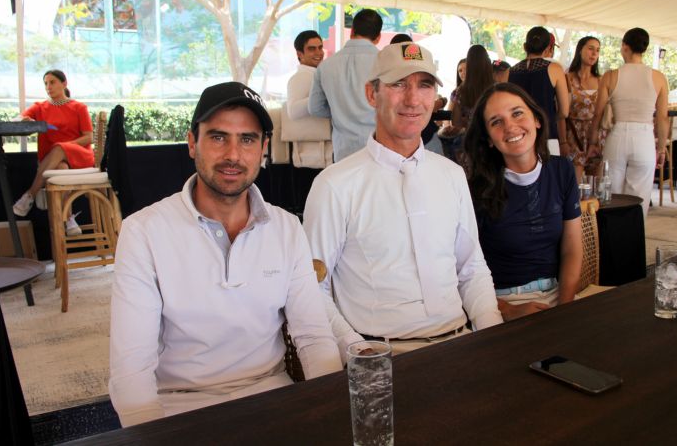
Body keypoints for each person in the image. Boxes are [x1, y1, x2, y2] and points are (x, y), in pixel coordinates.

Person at [109, 82, 342, 427]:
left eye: (247, 139)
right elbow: (131, 367)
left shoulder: (287, 227)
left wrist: (329, 416)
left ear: (263, 148)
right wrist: (151, 435)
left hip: (274, 396)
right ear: (192, 142)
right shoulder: (143, 232)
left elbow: (313, 336)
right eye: (218, 137)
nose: (233, 154)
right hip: (180, 409)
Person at [303, 42, 503, 358]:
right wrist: (357, 350)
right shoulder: (335, 185)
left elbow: (471, 268)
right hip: (382, 354)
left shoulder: (451, 175)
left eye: (424, 85)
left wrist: (492, 336)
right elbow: (311, 288)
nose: (412, 99)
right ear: (372, 94)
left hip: (460, 345)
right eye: (398, 84)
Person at [463, 83, 582, 321]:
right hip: (500, 304)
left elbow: (572, 250)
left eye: (517, 113)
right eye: (496, 122)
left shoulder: (562, 170)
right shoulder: (473, 190)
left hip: (560, 296)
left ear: (537, 119)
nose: (510, 126)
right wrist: (507, 310)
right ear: (488, 139)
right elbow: (461, 272)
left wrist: (563, 309)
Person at [587, 27, 670, 218]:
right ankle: (634, 240)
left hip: (618, 135)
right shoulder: (658, 77)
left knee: (610, 194)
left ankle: (610, 240)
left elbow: (598, 114)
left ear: (624, 46)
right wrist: (661, 148)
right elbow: (662, 118)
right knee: (640, 195)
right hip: (644, 137)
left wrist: (592, 142)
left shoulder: (610, 76)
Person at [12, 70, 94, 235]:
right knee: (62, 168)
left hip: (80, 155)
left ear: (64, 84)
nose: (48, 87)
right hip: (52, 159)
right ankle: (68, 218)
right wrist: (24, 119)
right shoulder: (39, 107)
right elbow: (18, 119)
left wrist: (66, 146)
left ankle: (30, 195)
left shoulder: (79, 107)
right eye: (46, 83)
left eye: (52, 82)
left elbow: (89, 137)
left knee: (59, 148)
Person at [308, 8, 382, 161]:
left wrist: (339, 109)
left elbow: (314, 108)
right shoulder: (385, 63)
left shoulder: (326, 65)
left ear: (352, 31)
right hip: (379, 149)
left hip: (343, 151)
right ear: (378, 37)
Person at [508, 26, 569, 156]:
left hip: (519, 136)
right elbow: (564, 111)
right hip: (547, 135)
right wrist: (548, 117)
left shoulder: (510, 71)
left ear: (525, 47)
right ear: (548, 48)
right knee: (549, 175)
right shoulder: (555, 69)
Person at [439, 45, 494, 164]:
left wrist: (468, 122)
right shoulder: (497, 89)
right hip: (493, 143)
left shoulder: (459, 93)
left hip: (470, 144)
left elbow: (456, 123)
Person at [286, 30, 332, 168]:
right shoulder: (299, 78)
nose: (318, 52)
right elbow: (293, 111)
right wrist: (324, 95)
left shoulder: (319, 74)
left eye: (320, 47)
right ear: (300, 54)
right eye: (312, 49)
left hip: (326, 151)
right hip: (313, 155)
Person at [565, 36, 602, 182]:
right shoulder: (567, 78)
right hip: (574, 135)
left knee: (596, 186)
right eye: (590, 48)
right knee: (575, 184)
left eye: (598, 50)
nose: (594, 54)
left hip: (597, 136)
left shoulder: (602, 80)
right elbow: (562, 112)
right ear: (580, 50)